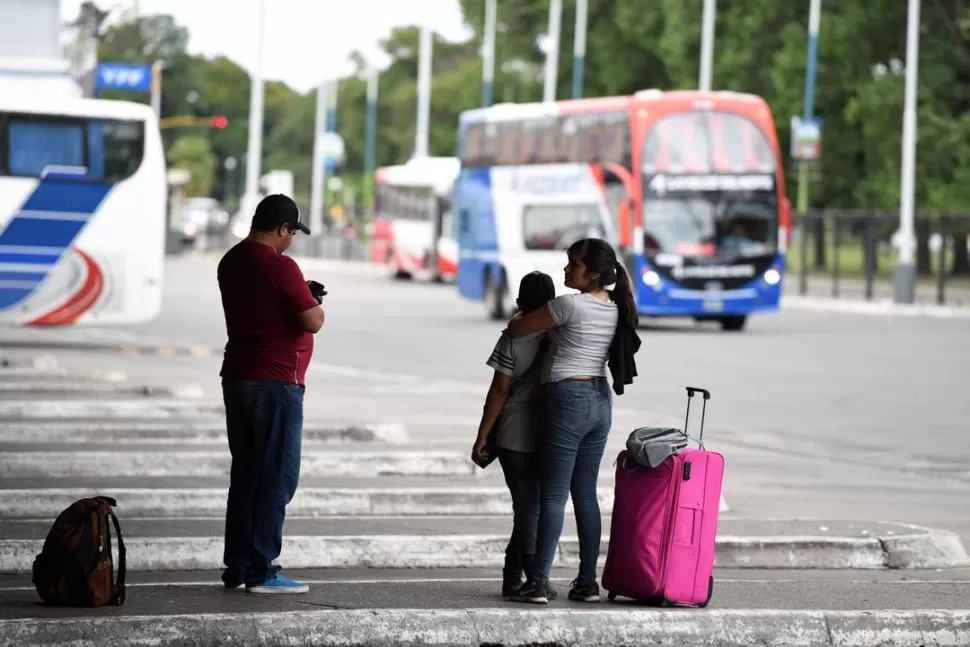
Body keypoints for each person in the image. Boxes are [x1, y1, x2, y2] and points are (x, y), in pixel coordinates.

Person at [505, 238, 639, 604]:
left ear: (593, 273)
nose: (565, 270)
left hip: (568, 399)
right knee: (585, 494)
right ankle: (586, 582)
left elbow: (518, 329)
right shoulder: (615, 305)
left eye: (573, 265)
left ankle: (538, 581)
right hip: (600, 401)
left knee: (552, 495)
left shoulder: (567, 305)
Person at [216, 194, 325, 594]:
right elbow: (313, 320)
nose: (292, 240)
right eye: (292, 232)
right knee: (276, 477)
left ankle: (238, 566)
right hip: (276, 383)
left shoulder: (231, 260)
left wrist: (299, 292)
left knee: (245, 474)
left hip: (239, 376)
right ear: (282, 228)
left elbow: (262, 306)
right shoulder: (280, 265)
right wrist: (310, 296)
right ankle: (263, 570)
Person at [471, 271, 557, 599]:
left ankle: (517, 575)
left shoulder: (513, 335)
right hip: (550, 433)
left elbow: (499, 391)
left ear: (520, 300)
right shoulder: (561, 332)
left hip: (512, 435)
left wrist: (482, 435)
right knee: (533, 508)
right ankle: (527, 576)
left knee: (526, 507)